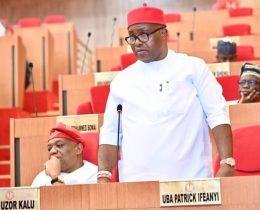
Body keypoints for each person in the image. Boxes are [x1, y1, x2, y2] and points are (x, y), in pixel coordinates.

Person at [97, 4, 234, 183]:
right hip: (136, 184)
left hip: (190, 182)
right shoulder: (121, 82)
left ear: (163, 33)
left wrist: (227, 162)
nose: (137, 42)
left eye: (144, 34)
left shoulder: (192, 68)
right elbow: (110, 132)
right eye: (132, 37)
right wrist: (104, 175)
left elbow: (217, 115)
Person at [31, 123, 97, 186]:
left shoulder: (94, 174)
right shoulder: (42, 176)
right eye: (49, 148)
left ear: (78, 149)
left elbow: (68, 198)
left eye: (59, 145)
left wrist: (55, 177)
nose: (52, 151)